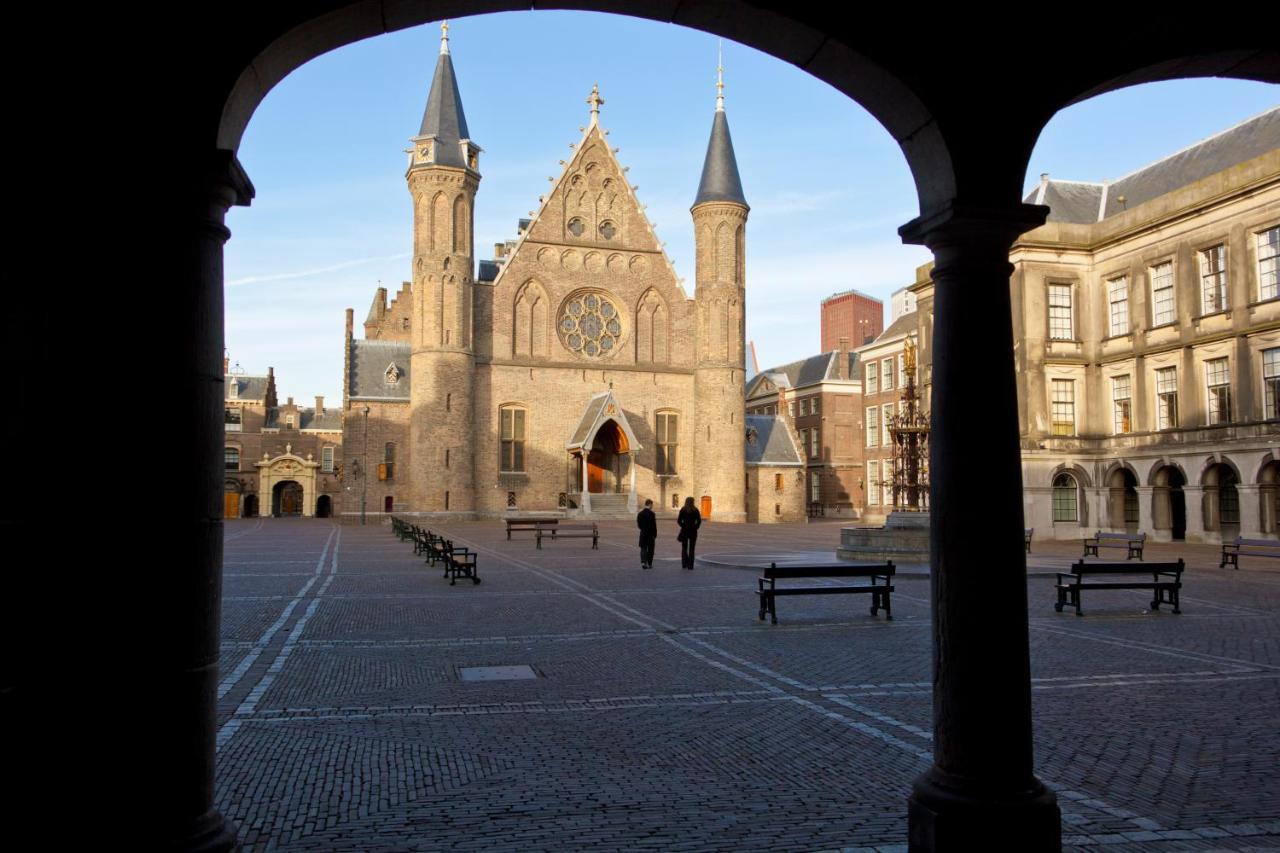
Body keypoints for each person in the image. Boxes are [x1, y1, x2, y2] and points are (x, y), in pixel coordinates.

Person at [676, 496, 702, 570]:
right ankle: (690, 565)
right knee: (692, 549)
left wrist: (683, 526)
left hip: (685, 531)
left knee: (684, 548)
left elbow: (679, 520)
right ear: (692, 502)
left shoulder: (683, 509)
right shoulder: (695, 510)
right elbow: (699, 520)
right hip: (693, 531)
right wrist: (696, 527)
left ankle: (684, 564)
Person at [636, 498, 657, 570]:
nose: (652, 506)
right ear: (650, 504)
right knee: (651, 549)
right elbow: (654, 525)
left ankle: (643, 562)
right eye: (652, 505)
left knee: (643, 548)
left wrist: (643, 529)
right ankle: (649, 563)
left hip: (643, 533)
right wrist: (655, 534)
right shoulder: (652, 514)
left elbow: (639, 525)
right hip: (651, 534)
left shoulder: (640, 514)